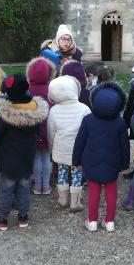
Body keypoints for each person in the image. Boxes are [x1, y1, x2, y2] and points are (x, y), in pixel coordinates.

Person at [0, 74, 49, 231]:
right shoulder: (35, 112)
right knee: (24, 188)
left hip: (8, 159)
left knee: (6, 190)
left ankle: (2, 219)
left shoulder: (5, 114)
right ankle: (23, 217)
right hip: (27, 158)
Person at [72, 82, 130, 232]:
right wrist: (124, 164)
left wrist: (76, 161)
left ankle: (92, 220)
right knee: (111, 191)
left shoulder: (88, 120)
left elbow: (80, 142)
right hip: (112, 163)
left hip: (91, 162)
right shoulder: (120, 122)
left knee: (94, 192)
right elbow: (125, 146)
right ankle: (109, 221)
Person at [48, 75, 92, 211]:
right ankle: (75, 202)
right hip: (79, 150)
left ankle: (62, 199)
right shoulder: (84, 109)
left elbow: (51, 132)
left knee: (62, 172)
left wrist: (51, 148)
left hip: (61, 149)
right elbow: (89, 132)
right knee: (77, 173)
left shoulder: (54, 110)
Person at [26, 57, 57, 195]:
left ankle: (38, 187)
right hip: (48, 129)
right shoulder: (51, 90)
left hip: (32, 129)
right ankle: (46, 186)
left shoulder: (28, 91)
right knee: (46, 157)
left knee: (36, 158)